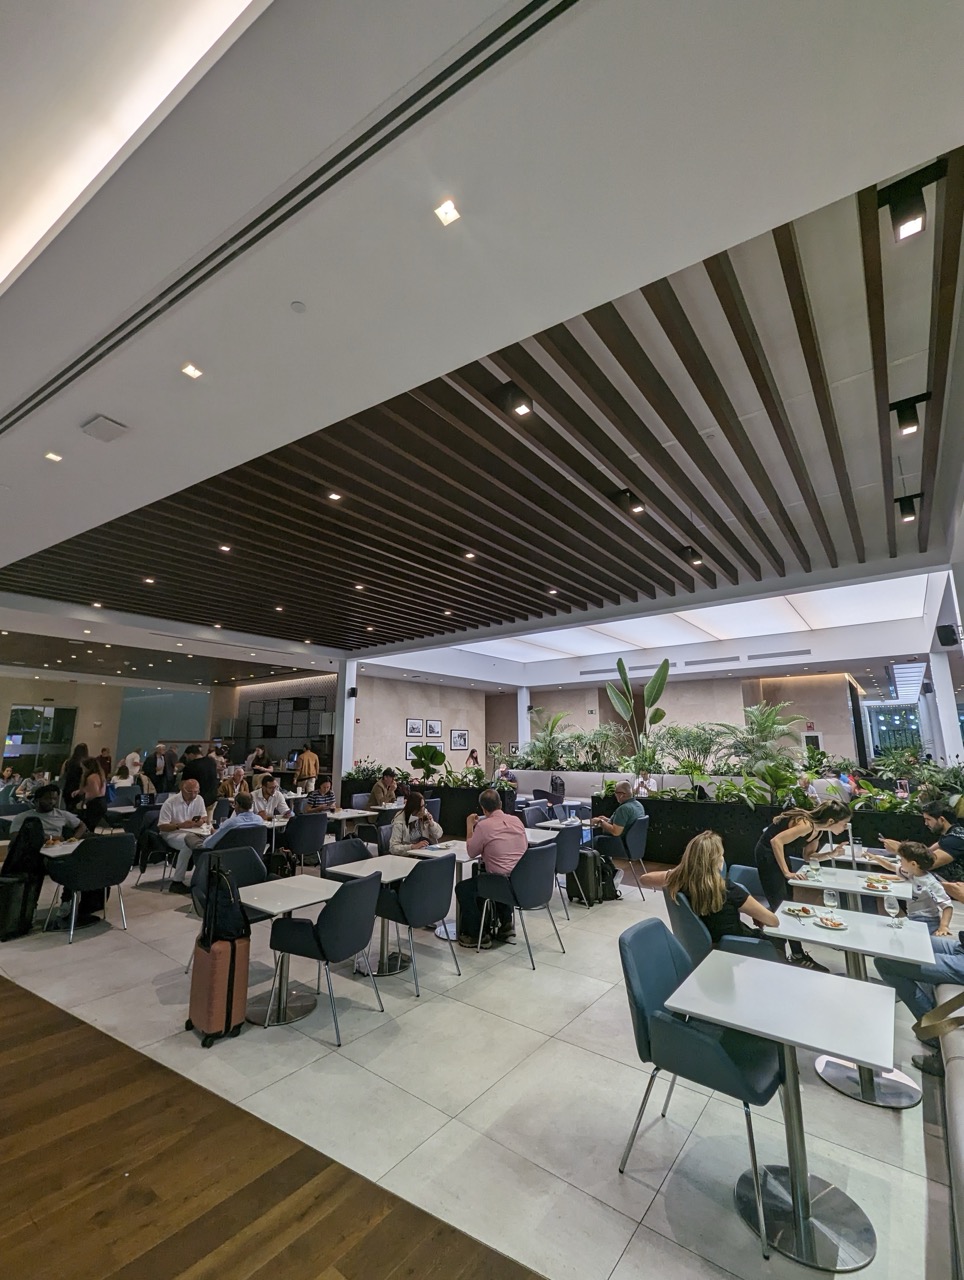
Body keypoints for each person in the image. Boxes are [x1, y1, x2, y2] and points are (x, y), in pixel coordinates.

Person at [754, 799, 851, 970]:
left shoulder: (818, 831)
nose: (845, 828)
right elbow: (776, 841)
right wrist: (786, 872)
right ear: (831, 821)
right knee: (780, 904)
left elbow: (809, 857)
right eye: (843, 824)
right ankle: (783, 954)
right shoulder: (806, 824)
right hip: (767, 855)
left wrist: (832, 854)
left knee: (788, 903)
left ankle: (795, 953)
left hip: (780, 856)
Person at [665, 830, 780, 949]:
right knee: (778, 941)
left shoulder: (679, 881)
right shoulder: (728, 890)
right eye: (721, 855)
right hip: (738, 945)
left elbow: (645, 879)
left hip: (708, 944)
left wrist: (676, 871)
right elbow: (773, 921)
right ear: (716, 861)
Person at [875, 937, 964, 1077]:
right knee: (906, 941)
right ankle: (932, 1027)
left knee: (885, 962)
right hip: (960, 945)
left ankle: (933, 1031)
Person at [457, 788, 528, 948]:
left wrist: (469, 827)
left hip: (499, 884)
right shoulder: (517, 821)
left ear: (483, 808)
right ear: (501, 804)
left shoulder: (484, 826)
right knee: (495, 873)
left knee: (463, 888)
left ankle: (477, 935)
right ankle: (506, 924)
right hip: (521, 881)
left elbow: (471, 851)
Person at [883, 800, 964, 903]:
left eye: (928, 819)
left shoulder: (956, 839)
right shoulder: (952, 833)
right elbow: (927, 852)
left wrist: (900, 849)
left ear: (941, 820)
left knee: (889, 895)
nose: (926, 823)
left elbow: (927, 862)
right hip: (938, 886)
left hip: (951, 891)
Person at [869, 841, 954, 935]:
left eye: (901, 859)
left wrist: (944, 926)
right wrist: (876, 858)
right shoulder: (910, 872)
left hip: (927, 920)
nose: (899, 862)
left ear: (913, 864)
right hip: (913, 916)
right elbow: (891, 867)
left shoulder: (930, 882)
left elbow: (947, 905)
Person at [158, 778, 208, 895]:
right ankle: (177, 882)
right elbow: (162, 827)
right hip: (172, 834)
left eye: (196, 791)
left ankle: (201, 878)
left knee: (207, 842)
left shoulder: (199, 799)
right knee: (188, 844)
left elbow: (204, 817)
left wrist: (201, 821)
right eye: (190, 792)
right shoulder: (170, 802)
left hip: (193, 832)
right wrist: (179, 825)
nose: (194, 795)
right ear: (182, 790)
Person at [9, 783, 87, 843]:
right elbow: (14, 837)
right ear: (36, 801)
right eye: (47, 798)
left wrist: (74, 839)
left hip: (56, 849)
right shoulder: (23, 817)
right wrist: (50, 838)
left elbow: (82, 825)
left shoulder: (62, 814)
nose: (51, 802)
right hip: (32, 851)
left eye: (54, 799)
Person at [198, 791, 264, 849]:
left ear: (237, 804)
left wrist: (213, 836)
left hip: (227, 857)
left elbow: (207, 845)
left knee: (191, 838)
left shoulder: (232, 823)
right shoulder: (259, 820)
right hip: (252, 857)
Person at [181, 744, 220, 818]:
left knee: (196, 824)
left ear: (191, 754)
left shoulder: (190, 766)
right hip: (213, 797)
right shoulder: (211, 761)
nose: (186, 758)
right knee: (208, 822)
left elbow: (183, 785)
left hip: (198, 800)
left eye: (187, 756)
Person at [75, 757, 108, 832]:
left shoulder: (91, 777)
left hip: (95, 804)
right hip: (102, 801)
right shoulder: (100, 776)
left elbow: (94, 793)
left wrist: (84, 801)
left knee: (89, 825)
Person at [60, 742, 88, 813]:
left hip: (68, 787)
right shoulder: (85, 763)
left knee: (68, 808)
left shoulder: (67, 762)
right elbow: (85, 776)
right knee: (78, 810)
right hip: (78, 788)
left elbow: (62, 775)